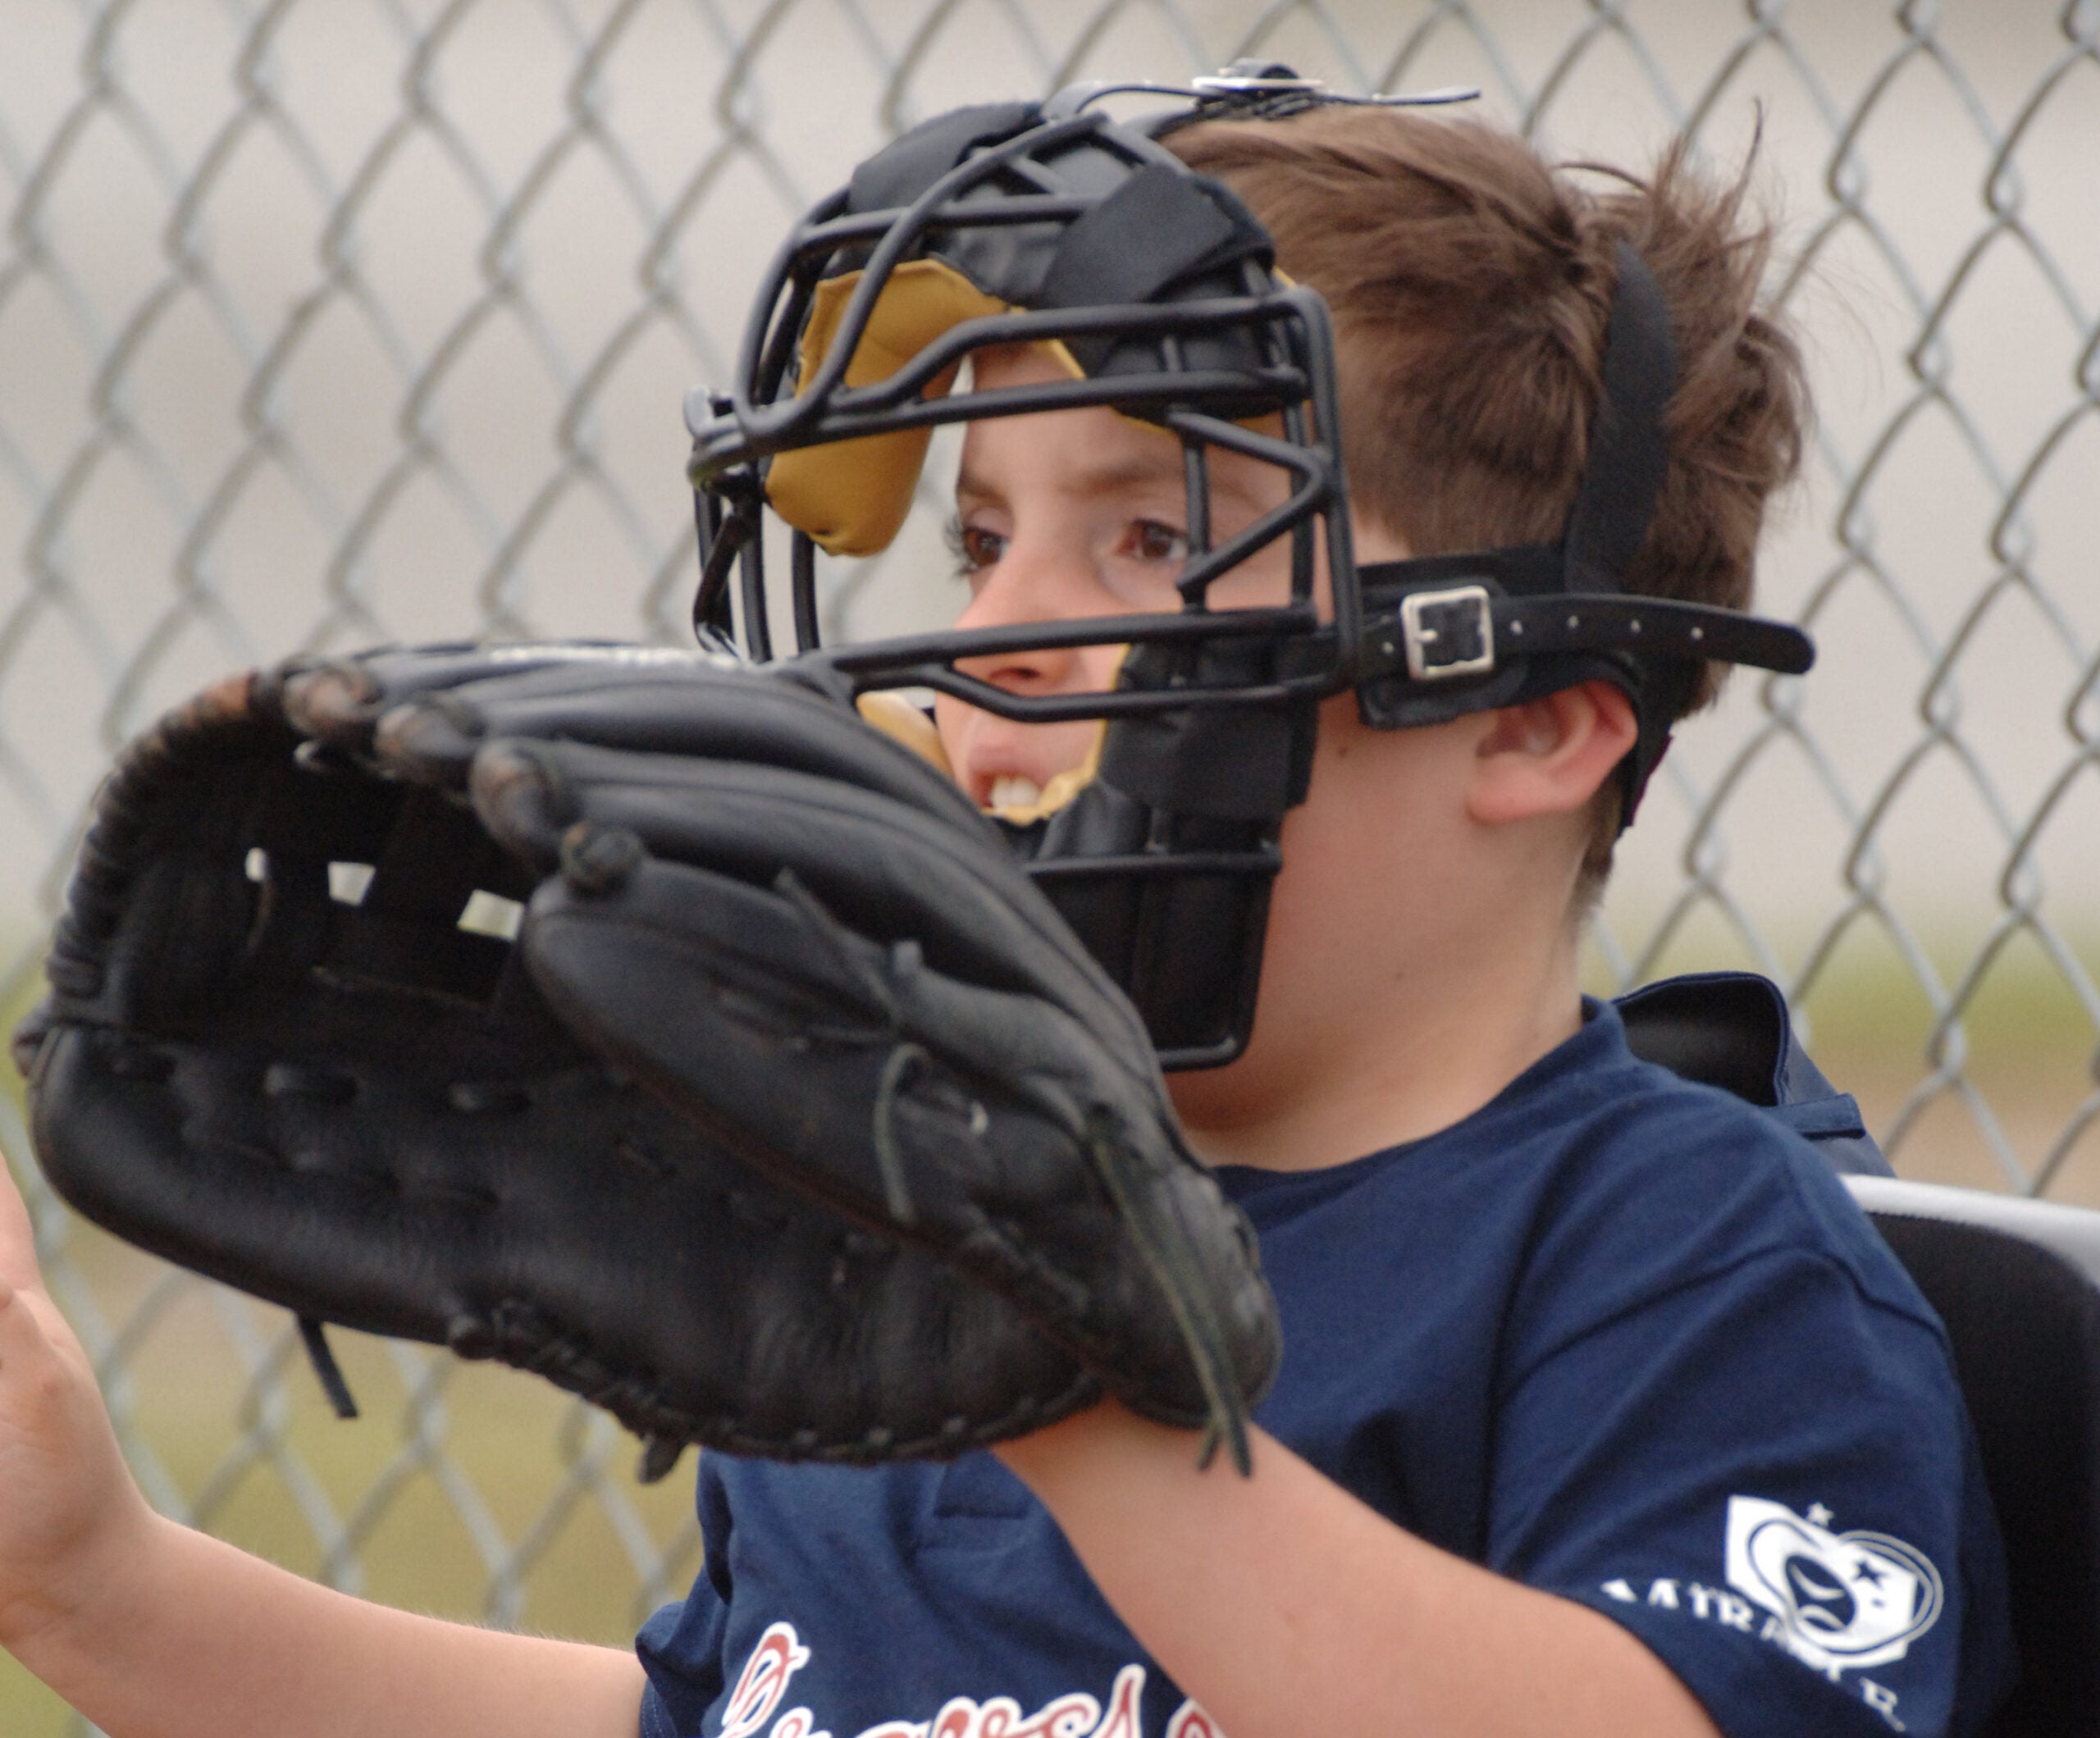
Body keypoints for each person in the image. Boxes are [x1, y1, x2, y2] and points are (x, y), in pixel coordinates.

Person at [0, 83, 2011, 1738]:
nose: (1000, 633)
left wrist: (1070, 1393)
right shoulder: (912, 1201)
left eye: (1147, 537)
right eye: (976, 540)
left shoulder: (1683, 1262)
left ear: (1525, 719)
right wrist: (99, 1588)